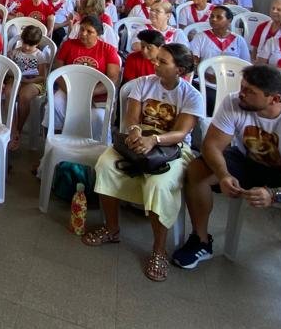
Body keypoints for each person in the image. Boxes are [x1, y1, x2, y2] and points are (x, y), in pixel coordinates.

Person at [172, 64, 281, 329]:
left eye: (250, 91)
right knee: (198, 169)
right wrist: (224, 174)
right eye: (242, 87)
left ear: (274, 99)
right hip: (245, 161)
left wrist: (275, 194)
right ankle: (200, 240)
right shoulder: (234, 103)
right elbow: (212, 145)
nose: (241, 93)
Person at [84, 44, 203, 282]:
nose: (155, 64)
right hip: (138, 140)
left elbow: (181, 133)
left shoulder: (191, 95)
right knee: (106, 164)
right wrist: (136, 132)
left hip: (171, 147)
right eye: (157, 59)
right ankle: (112, 227)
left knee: (159, 184)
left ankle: (159, 249)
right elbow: (132, 116)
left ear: (178, 69)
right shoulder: (143, 82)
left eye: (163, 62)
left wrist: (155, 139)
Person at [51, 16, 122, 131]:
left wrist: (89, 93)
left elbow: (113, 79)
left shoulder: (108, 50)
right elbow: (58, 71)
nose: (83, 33)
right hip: (69, 88)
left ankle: (96, 146)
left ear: (98, 34)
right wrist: (71, 91)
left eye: (89, 31)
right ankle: (59, 135)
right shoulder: (68, 45)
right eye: (82, 29)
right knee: (56, 103)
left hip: (97, 93)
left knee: (99, 116)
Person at [5, 23, 51, 149]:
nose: (26, 47)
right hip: (16, 79)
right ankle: (12, 128)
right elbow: (9, 69)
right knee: (9, 93)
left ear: (37, 44)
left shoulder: (40, 55)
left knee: (24, 96)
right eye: (24, 43)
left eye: (30, 45)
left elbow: (42, 76)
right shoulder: (15, 52)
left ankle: (17, 130)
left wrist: (28, 80)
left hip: (33, 81)